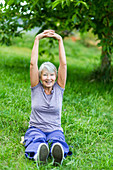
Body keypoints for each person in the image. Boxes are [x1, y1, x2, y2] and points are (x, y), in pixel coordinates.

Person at [24, 30, 72, 166]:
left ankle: (58, 154)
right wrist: (37, 39)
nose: (48, 78)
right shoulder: (36, 87)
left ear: (56, 76)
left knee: (57, 140)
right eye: (45, 75)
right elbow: (33, 64)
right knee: (36, 139)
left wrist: (60, 40)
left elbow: (63, 65)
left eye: (51, 75)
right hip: (35, 128)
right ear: (39, 77)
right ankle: (39, 155)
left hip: (54, 129)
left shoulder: (59, 88)